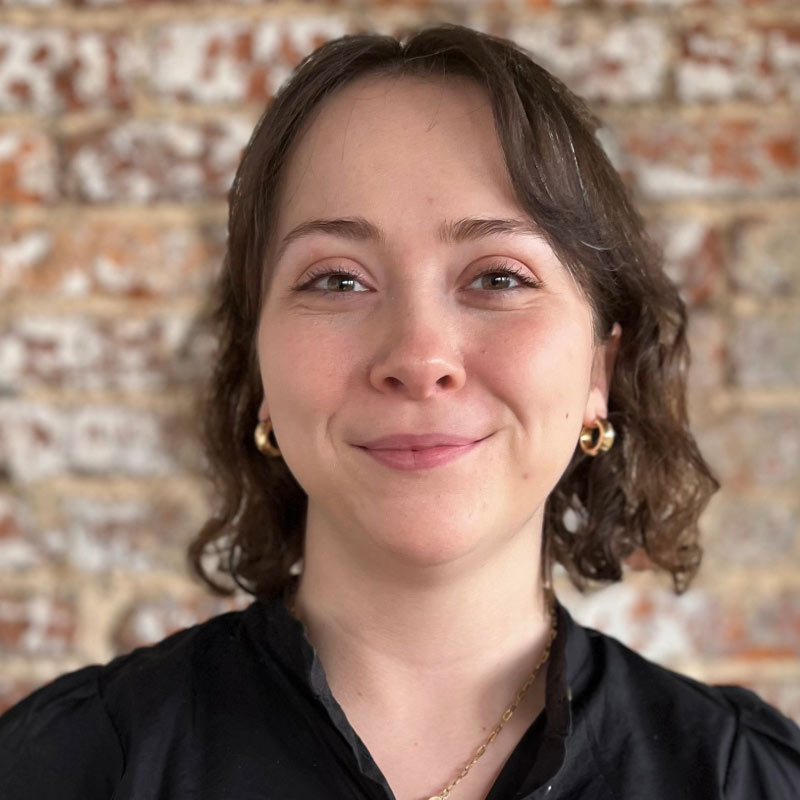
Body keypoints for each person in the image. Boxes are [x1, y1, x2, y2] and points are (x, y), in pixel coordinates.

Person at [1, 22, 798, 800]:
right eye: (338, 280)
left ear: (599, 368)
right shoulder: (67, 767)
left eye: (497, 277)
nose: (419, 359)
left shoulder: (746, 779)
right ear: (259, 370)